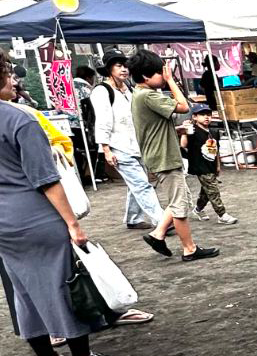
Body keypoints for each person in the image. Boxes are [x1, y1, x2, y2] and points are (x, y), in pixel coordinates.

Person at [0, 51, 113, 356]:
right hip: (35, 215)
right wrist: (73, 224)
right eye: (8, 71)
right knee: (62, 285)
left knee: (23, 290)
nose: (13, 78)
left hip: (4, 225)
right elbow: (45, 179)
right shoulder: (20, 119)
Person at [128, 49, 218, 262]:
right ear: (146, 76)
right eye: (160, 72)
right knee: (179, 205)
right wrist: (171, 81)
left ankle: (158, 234)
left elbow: (154, 126)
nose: (164, 75)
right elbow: (184, 106)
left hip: (161, 154)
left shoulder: (140, 95)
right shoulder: (148, 95)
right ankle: (189, 248)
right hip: (164, 156)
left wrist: (175, 131)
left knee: (181, 198)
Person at [92, 49, 164, 232]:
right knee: (141, 183)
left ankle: (133, 218)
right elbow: (102, 121)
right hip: (118, 146)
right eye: (118, 65)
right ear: (109, 69)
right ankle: (162, 221)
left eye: (125, 65)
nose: (124, 69)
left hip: (136, 144)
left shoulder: (130, 88)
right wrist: (106, 149)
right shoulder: (102, 91)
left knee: (137, 183)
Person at [182, 103, 237, 225]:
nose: (206, 117)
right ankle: (222, 214)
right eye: (202, 115)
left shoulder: (212, 132)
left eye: (208, 115)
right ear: (195, 117)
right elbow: (183, 145)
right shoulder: (193, 131)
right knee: (213, 190)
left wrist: (218, 166)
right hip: (200, 166)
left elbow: (215, 150)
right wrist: (185, 131)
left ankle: (198, 209)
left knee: (206, 191)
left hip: (211, 165)